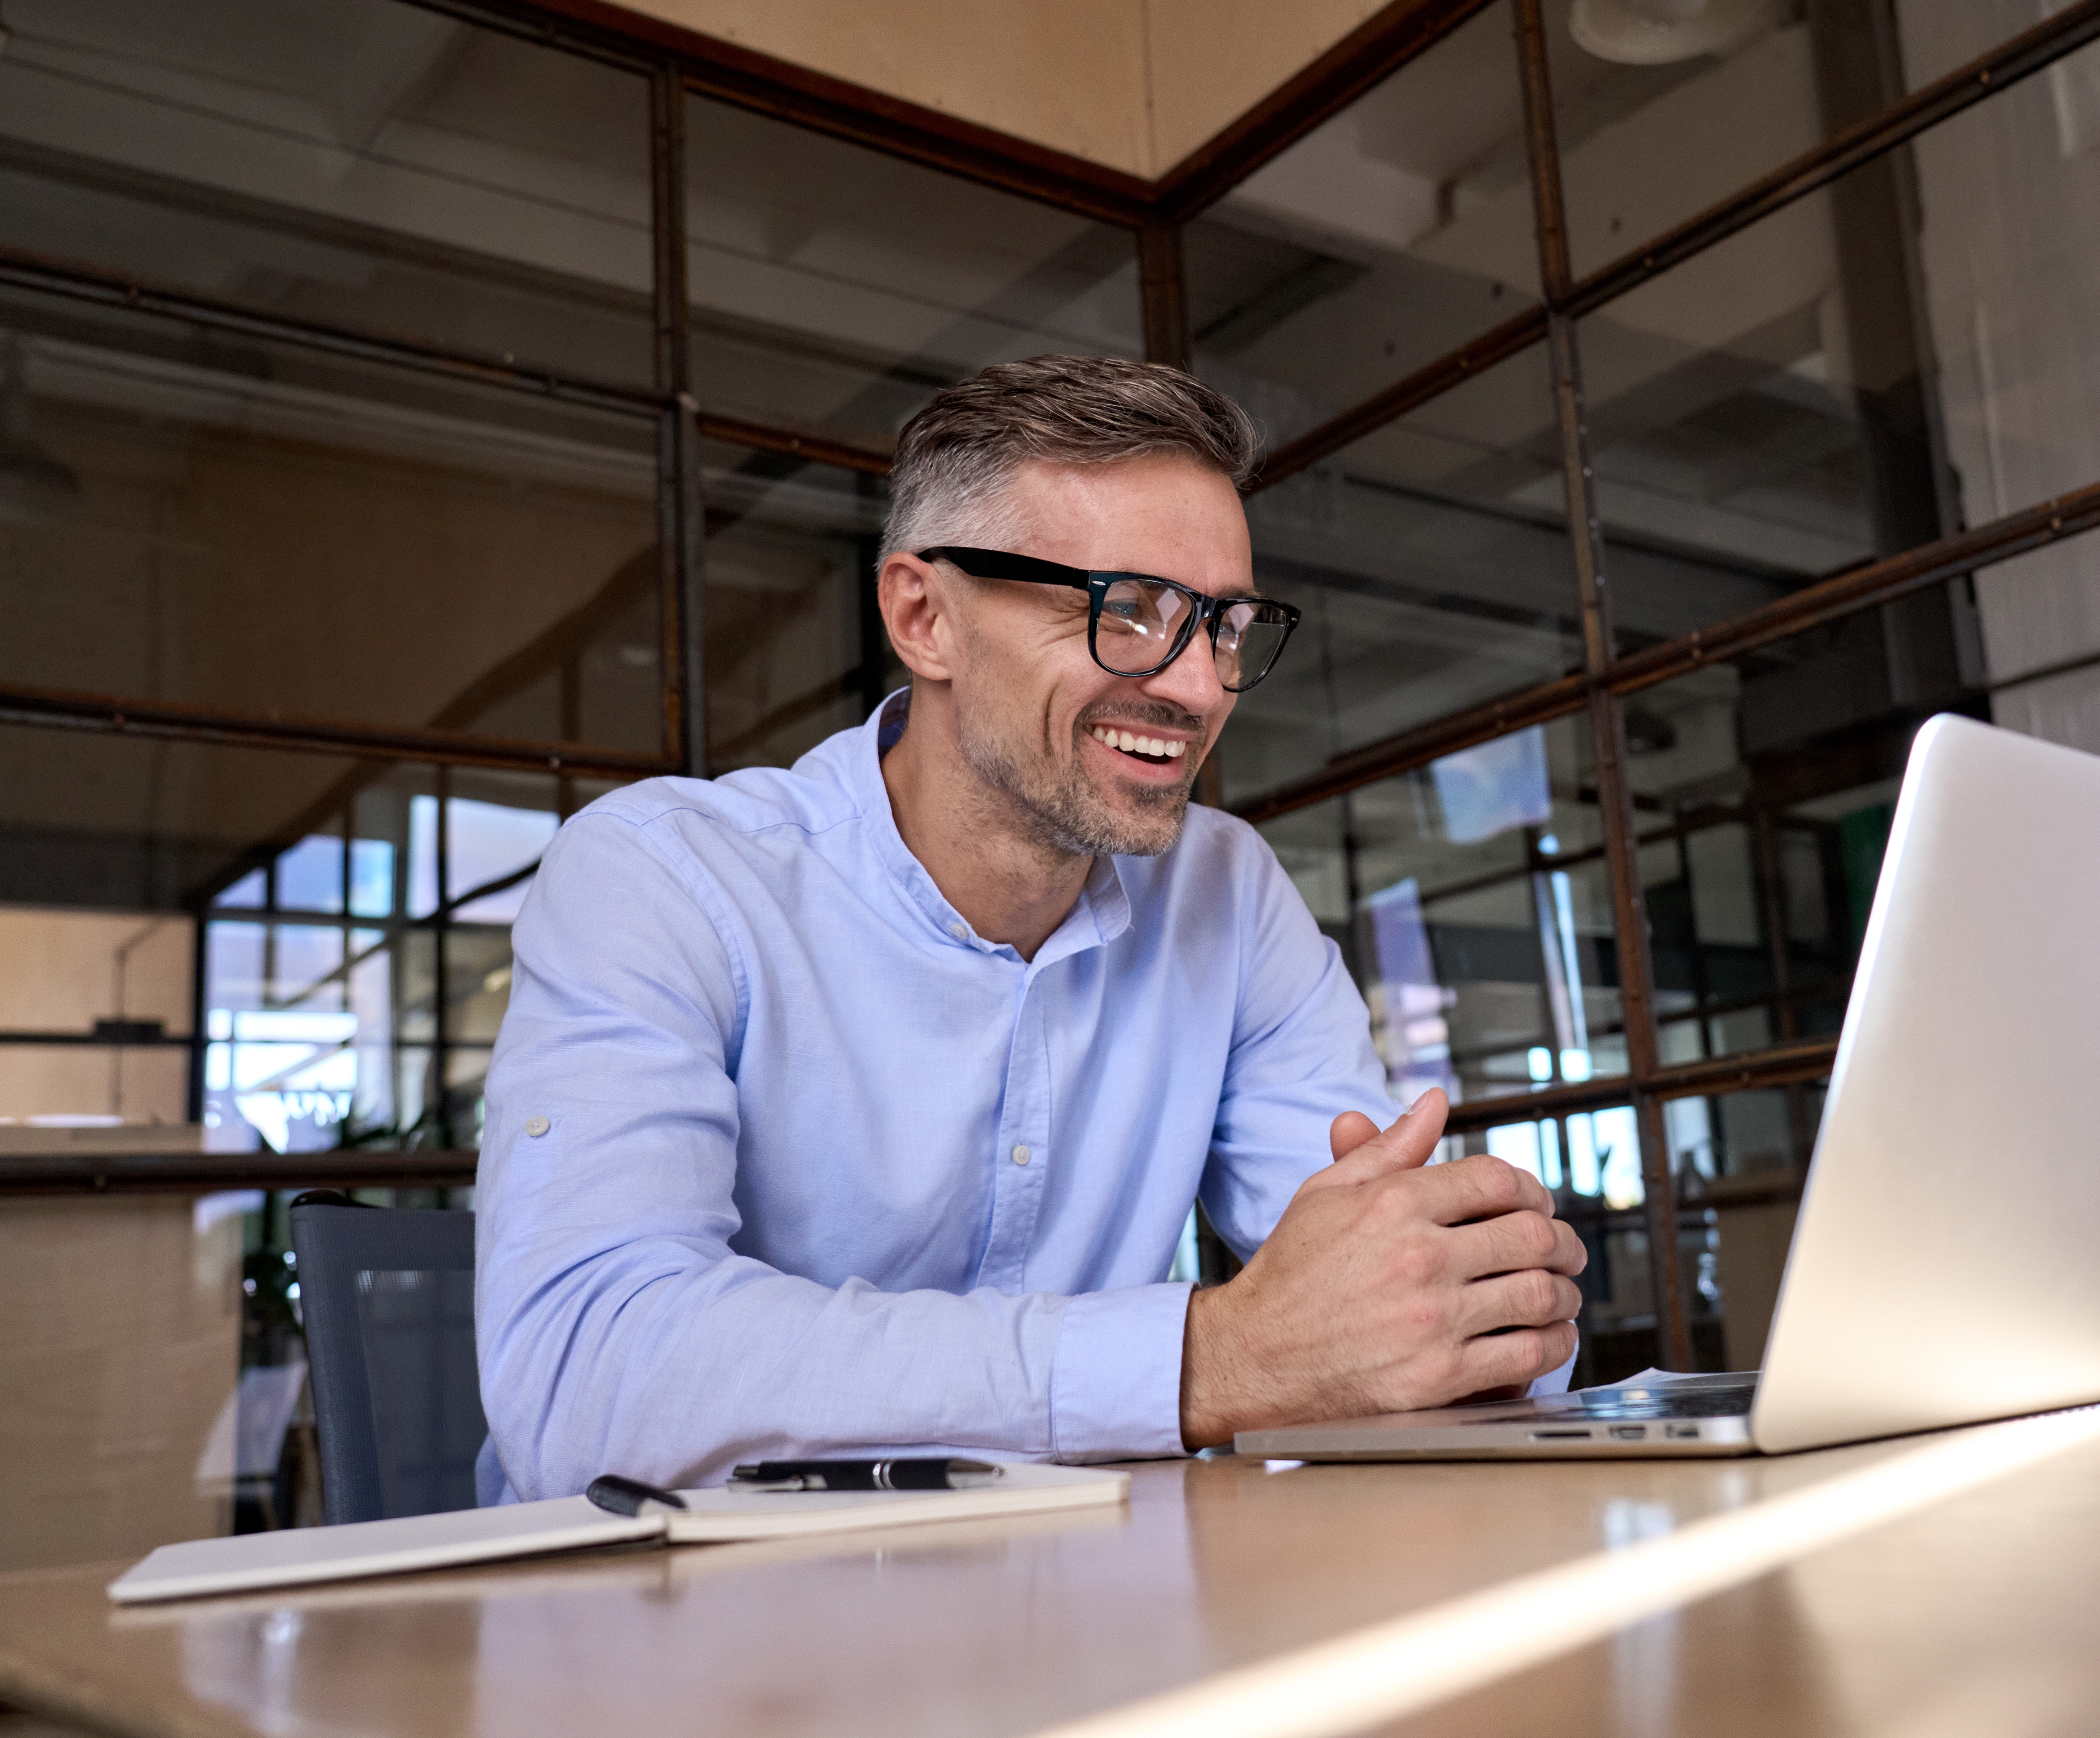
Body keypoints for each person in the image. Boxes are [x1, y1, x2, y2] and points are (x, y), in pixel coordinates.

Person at [474, 355, 1585, 1501]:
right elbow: (583, 1378)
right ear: (925, 617)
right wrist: (1206, 1359)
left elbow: (1394, 1311)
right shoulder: (665, 875)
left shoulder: (1227, 893)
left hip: (1087, 1602)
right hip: (675, 1634)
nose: (1201, 688)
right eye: (1128, 612)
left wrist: (1473, 1300)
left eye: (1225, 624)